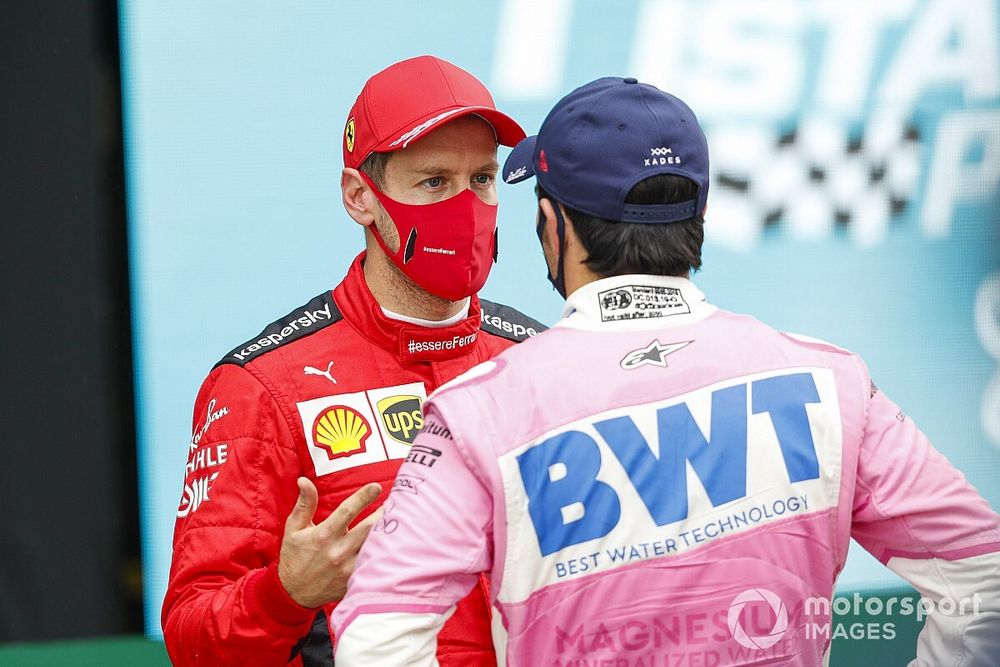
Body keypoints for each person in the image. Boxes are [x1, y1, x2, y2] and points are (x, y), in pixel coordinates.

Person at [331, 77, 1000, 665]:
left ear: (552, 223)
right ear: (698, 215)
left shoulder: (479, 410)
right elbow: (985, 582)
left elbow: (378, 634)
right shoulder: (833, 383)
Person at [162, 55, 546, 667]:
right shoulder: (261, 387)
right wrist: (283, 596)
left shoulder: (542, 362)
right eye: (434, 182)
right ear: (359, 197)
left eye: (481, 179)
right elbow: (190, 638)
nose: (466, 205)